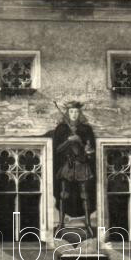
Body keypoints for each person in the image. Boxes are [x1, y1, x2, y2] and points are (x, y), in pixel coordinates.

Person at [53, 101, 96, 237]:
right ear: (67, 113)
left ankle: (88, 224)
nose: (74, 114)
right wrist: (69, 140)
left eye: (76, 112)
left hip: (82, 164)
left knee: (85, 195)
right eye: (71, 112)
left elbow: (90, 149)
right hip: (68, 165)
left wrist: (82, 143)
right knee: (63, 194)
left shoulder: (86, 129)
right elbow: (57, 149)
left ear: (80, 113)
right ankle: (61, 224)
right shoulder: (61, 129)